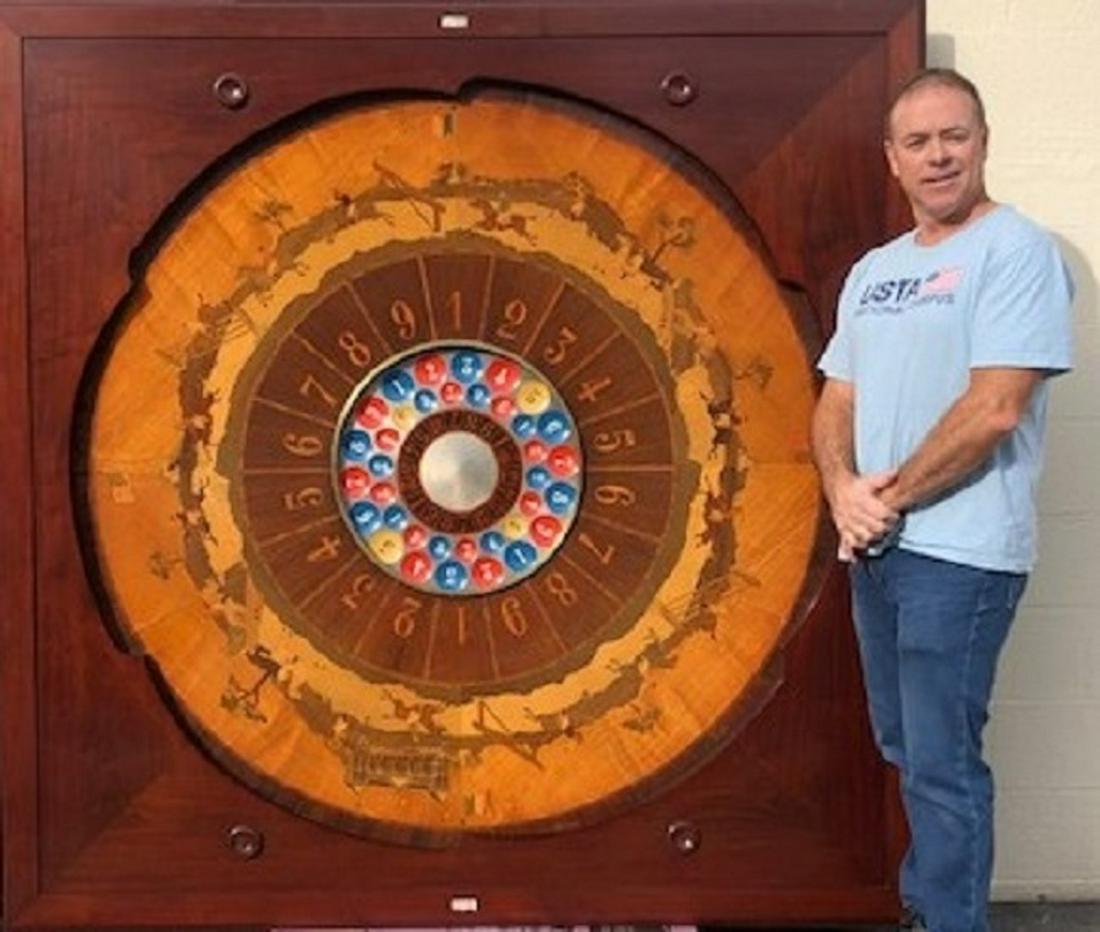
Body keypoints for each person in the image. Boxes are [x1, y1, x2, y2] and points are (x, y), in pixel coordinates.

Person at [811, 68, 1074, 932]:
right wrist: (842, 491)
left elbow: (996, 407)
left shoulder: (1017, 251)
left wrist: (884, 500)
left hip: (961, 555)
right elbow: (836, 399)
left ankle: (947, 921)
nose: (938, 156)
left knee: (941, 764)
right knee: (906, 748)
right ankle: (930, 909)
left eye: (954, 136)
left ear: (983, 142)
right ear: (892, 158)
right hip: (877, 550)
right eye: (918, 142)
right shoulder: (874, 271)